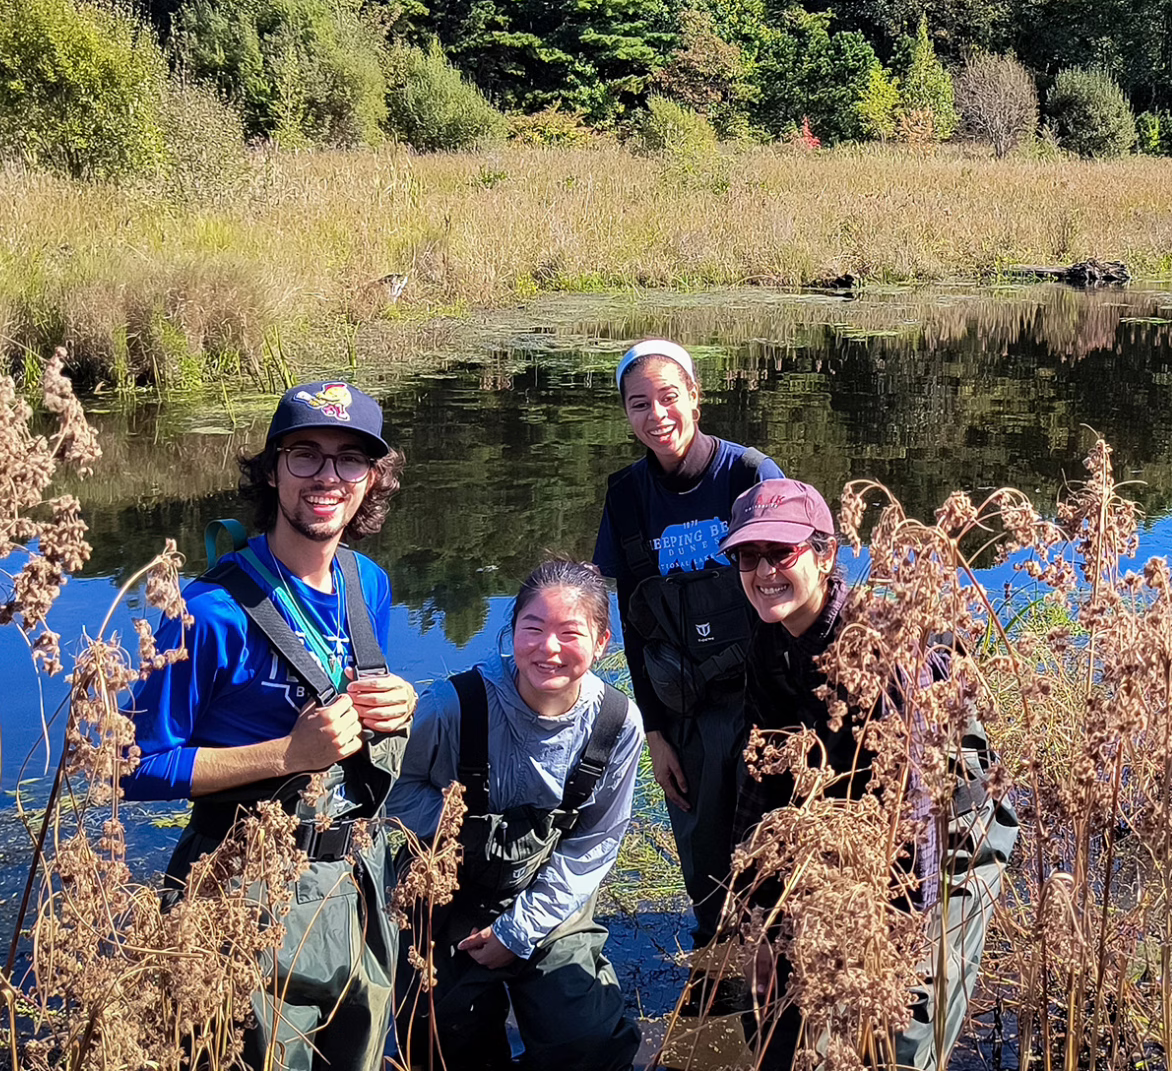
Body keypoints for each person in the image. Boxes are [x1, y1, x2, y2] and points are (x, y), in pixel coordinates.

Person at [124, 380, 421, 1071]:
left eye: (351, 460)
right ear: (270, 469)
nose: (327, 477)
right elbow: (130, 767)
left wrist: (396, 705)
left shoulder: (366, 583)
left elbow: (353, 704)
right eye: (305, 455)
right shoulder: (207, 614)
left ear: (373, 478)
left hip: (355, 882)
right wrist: (287, 753)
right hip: (242, 888)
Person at [720, 478, 1017, 1071]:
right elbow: (761, 780)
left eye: (781, 553)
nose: (763, 571)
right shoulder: (766, 634)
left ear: (827, 555)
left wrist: (890, 939)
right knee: (782, 1013)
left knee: (906, 1019)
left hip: (942, 824)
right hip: (845, 811)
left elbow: (914, 819)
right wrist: (758, 914)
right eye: (747, 557)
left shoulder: (885, 646)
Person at [389, 561, 645, 1071]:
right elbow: (392, 796)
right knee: (442, 1038)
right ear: (511, 633)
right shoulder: (451, 706)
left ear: (601, 642)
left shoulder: (617, 723)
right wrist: (453, 819)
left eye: (570, 633)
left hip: (550, 891)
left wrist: (517, 932)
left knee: (589, 1040)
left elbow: (592, 844)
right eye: (533, 628)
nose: (548, 649)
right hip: (450, 894)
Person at [591, 339, 781, 957]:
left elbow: (797, 593)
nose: (657, 415)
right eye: (638, 403)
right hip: (683, 709)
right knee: (705, 867)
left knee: (776, 843)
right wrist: (653, 731)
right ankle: (719, 968)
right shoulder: (625, 497)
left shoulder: (750, 476)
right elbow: (634, 623)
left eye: (669, 397)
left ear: (696, 397)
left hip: (764, 696)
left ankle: (783, 964)